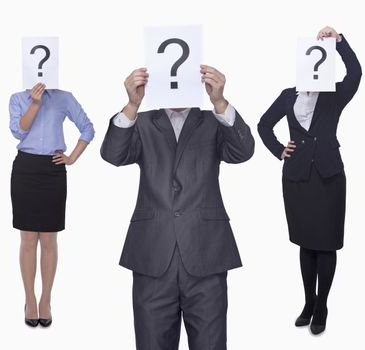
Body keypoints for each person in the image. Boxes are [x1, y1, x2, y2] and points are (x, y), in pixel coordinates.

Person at [101, 65, 254, 350]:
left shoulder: (212, 120)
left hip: (206, 254)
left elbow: (242, 152)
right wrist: (132, 105)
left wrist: (220, 102)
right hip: (152, 255)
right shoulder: (142, 121)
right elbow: (113, 155)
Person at [257, 26, 361, 335]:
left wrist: (340, 42)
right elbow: (263, 125)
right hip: (297, 178)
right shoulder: (288, 95)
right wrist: (279, 150)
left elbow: (355, 73)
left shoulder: (334, 96)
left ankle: (322, 305)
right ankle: (307, 301)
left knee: (326, 244)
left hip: (328, 177)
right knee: (306, 243)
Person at [9, 82, 94, 327]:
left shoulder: (64, 97)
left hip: (53, 169)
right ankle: (30, 299)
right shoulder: (17, 98)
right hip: (25, 168)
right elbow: (18, 131)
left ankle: (46, 299)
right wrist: (35, 104)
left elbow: (87, 129)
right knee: (27, 239)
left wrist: (72, 158)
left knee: (48, 239)